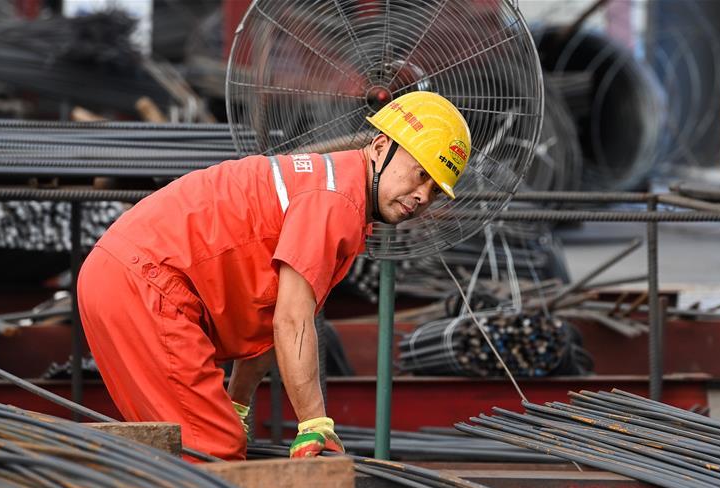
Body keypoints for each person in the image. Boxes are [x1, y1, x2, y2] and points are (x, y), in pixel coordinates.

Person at [77, 91, 471, 461]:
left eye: (435, 191)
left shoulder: (333, 187)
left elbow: (268, 321)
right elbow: (292, 322)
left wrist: (238, 403)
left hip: (126, 279)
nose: (423, 196)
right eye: (420, 174)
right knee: (211, 449)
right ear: (381, 147)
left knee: (192, 446)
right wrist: (315, 424)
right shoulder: (336, 199)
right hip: (146, 286)